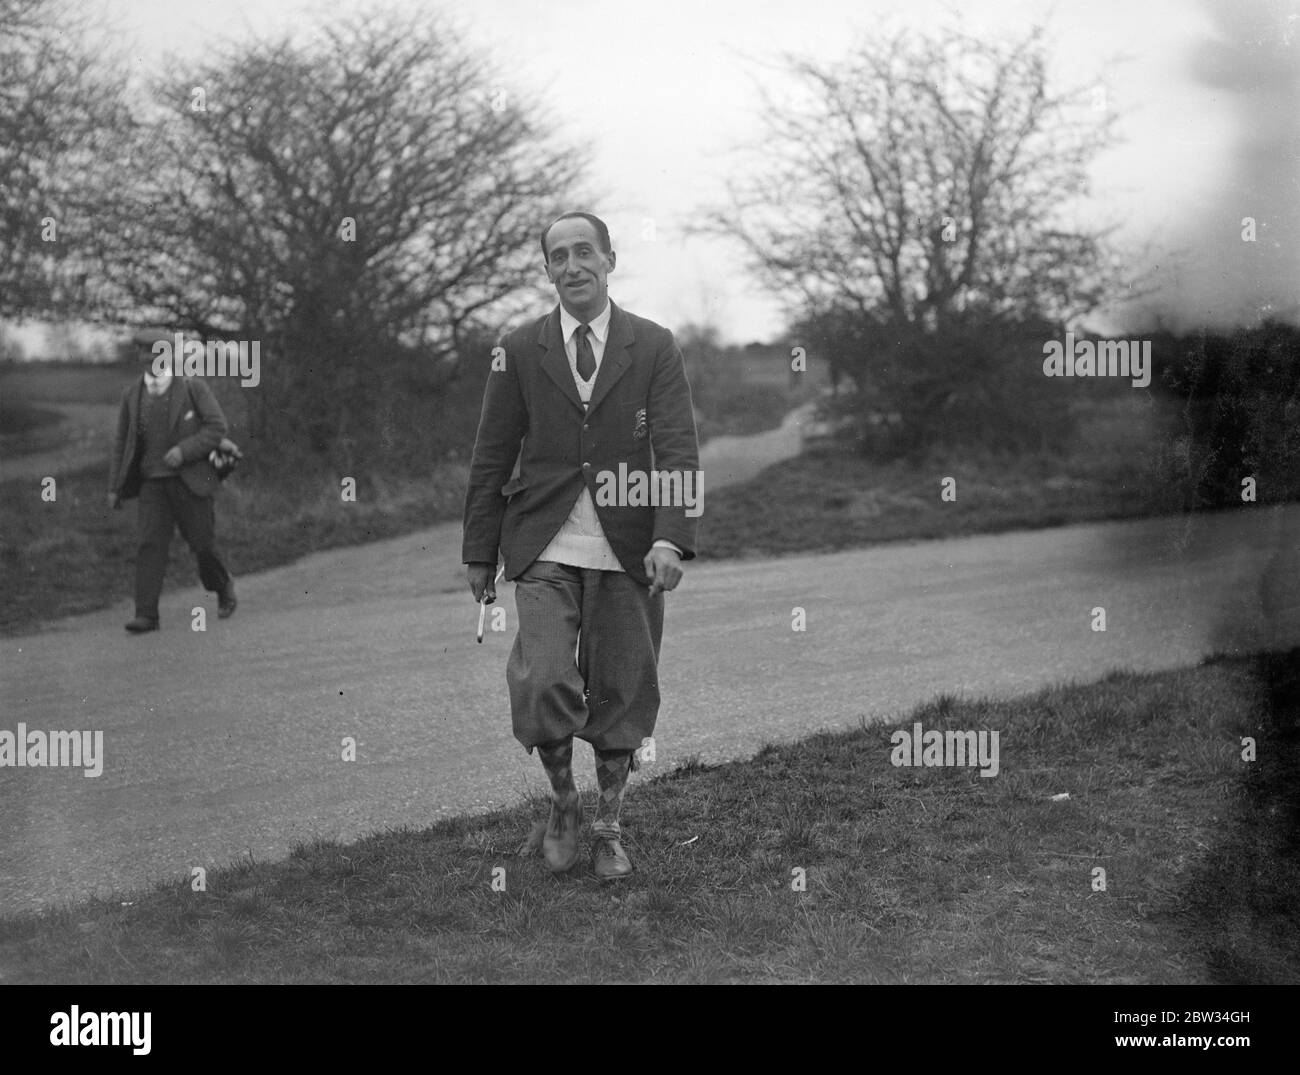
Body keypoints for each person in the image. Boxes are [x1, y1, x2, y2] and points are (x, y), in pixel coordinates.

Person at [462, 211, 701, 880]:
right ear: (547, 270)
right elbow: (491, 454)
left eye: (584, 252)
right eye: (558, 256)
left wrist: (671, 539)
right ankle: (565, 802)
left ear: (609, 259)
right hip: (543, 543)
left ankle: (609, 825)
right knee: (541, 679)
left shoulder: (653, 345)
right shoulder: (518, 348)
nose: (573, 266)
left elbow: (677, 446)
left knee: (624, 688)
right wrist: (479, 548)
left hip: (629, 548)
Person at [107, 329, 236, 633]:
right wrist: (115, 487)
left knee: (202, 544)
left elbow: (217, 427)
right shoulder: (132, 395)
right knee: (149, 545)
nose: (148, 357)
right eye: (143, 352)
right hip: (152, 484)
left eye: (155, 351)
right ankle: (146, 614)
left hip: (191, 482)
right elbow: (121, 442)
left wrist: (184, 450)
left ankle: (223, 586)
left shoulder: (193, 388)